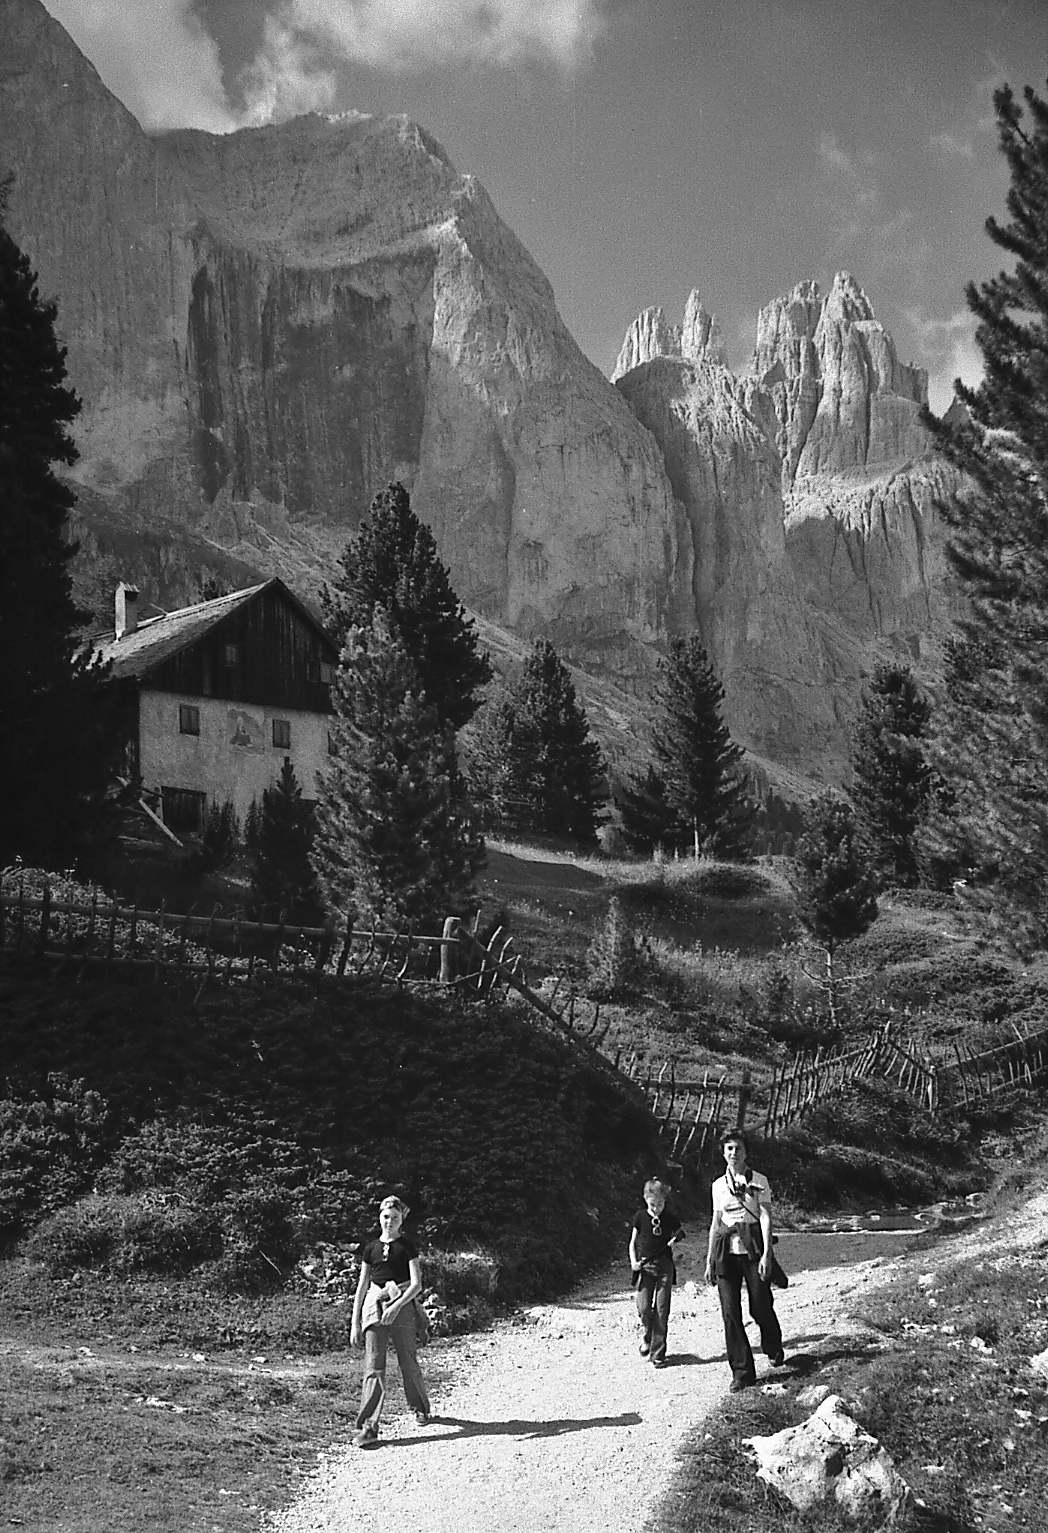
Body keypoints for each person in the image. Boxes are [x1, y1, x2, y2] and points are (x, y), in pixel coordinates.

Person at [705, 1129, 785, 1392]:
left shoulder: (759, 1181)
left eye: (738, 1148)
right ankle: (742, 1372)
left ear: (746, 1152)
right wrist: (709, 1260)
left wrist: (767, 1254)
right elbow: (716, 1223)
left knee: (760, 1305)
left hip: (752, 1249)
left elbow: (765, 1217)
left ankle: (772, 1345)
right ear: (723, 1152)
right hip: (726, 1252)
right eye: (729, 1148)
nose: (734, 1153)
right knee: (730, 1312)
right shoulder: (718, 1186)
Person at [349, 1194, 431, 1447]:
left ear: (401, 1220)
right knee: (374, 1365)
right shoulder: (371, 1248)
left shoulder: (407, 1247)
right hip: (375, 1305)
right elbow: (362, 1286)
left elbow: (416, 1284)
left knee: (408, 1360)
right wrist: (355, 1323)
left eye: (395, 1217)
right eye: (386, 1217)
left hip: (401, 1305)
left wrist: (396, 1306)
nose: (389, 1221)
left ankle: (420, 1408)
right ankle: (369, 1426)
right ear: (379, 1218)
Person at [628, 1176, 685, 1368]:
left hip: (665, 1268)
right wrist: (633, 1262)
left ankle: (658, 1353)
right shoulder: (640, 1217)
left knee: (662, 1309)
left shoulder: (669, 1217)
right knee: (644, 1307)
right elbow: (632, 1243)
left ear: (665, 1201)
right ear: (645, 1199)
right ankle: (648, 1336)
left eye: (660, 1204)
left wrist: (676, 1238)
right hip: (645, 1268)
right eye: (652, 1204)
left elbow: (680, 1232)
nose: (656, 1208)